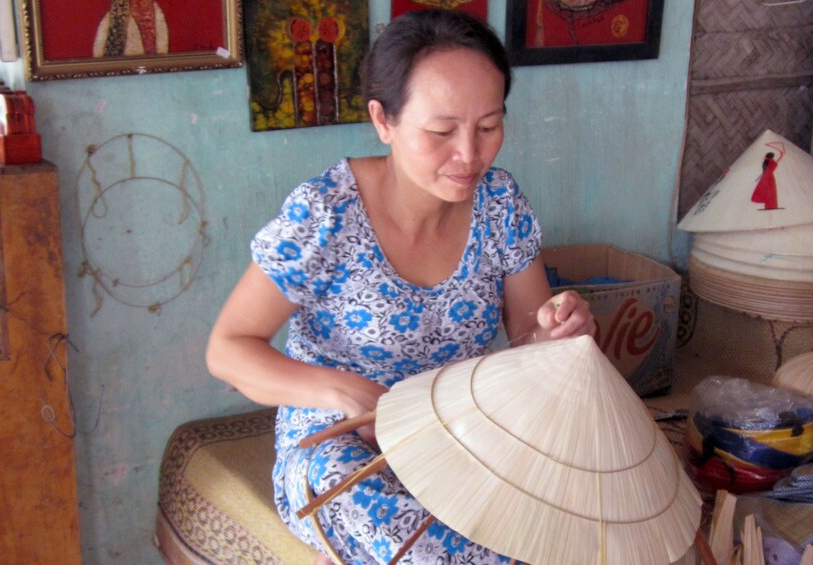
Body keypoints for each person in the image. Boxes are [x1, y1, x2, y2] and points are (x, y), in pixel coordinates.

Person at [206, 9, 595, 565]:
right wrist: (340, 390)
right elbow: (228, 349)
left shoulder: (500, 204)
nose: (470, 154)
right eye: (441, 132)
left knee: (577, 504)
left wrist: (559, 330)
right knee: (382, 514)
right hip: (343, 444)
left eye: (489, 126)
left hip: (455, 435)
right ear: (383, 121)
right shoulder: (326, 214)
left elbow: (529, 343)